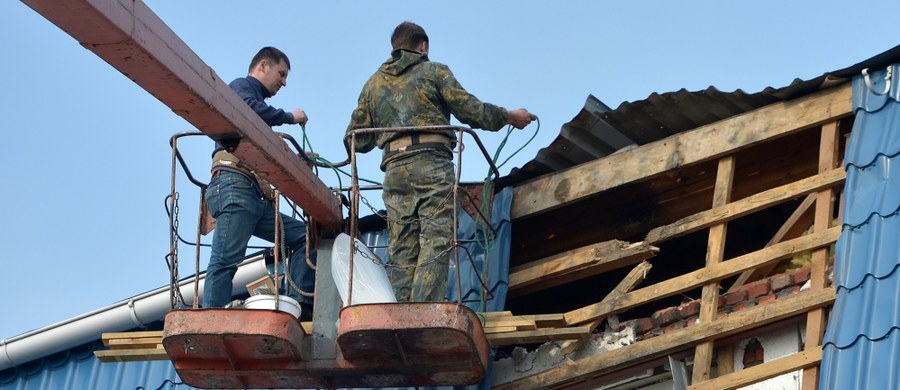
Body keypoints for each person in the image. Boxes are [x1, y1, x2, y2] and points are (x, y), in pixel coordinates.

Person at [346, 22, 536, 302]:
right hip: (431, 164)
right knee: (435, 240)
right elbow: (472, 111)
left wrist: (390, 125)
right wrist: (510, 116)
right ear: (422, 46)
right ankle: (423, 313)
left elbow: (355, 140)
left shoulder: (373, 84)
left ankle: (399, 314)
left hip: (395, 171)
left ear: (395, 46)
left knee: (402, 248)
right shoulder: (434, 70)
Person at [203, 46, 316, 319]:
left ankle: (295, 306)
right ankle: (211, 317)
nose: (284, 82)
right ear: (263, 65)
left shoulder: (259, 115)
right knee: (225, 260)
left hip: (253, 194)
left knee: (305, 236)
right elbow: (247, 107)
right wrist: (290, 117)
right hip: (235, 186)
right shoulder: (241, 88)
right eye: (281, 73)